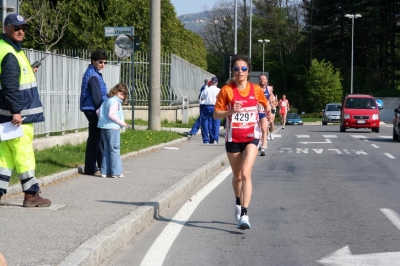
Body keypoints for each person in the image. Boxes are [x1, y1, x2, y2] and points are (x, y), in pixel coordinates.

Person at [214, 54, 271, 230]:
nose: (240, 71)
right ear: (233, 71)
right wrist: (230, 112)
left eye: (243, 68)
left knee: (246, 173)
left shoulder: (256, 90)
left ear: (248, 71)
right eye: (236, 68)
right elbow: (216, 114)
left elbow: (266, 104)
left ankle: (245, 214)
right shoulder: (227, 90)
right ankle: (238, 202)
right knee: (237, 176)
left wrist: (267, 114)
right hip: (233, 138)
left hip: (251, 137)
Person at [0, 14, 51, 207]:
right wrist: (16, 111)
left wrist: (28, 69)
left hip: (4, 115)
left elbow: (9, 78)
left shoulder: (7, 49)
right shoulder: (11, 53)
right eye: (16, 27)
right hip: (17, 117)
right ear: (6, 28)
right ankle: (31, 195)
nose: (21, 31)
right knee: (24, 154)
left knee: (4, 156)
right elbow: (10, 86)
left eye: (24, 28)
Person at [80, 49, 109, 175]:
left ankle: (100, 165)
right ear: (93, 61)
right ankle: (91, 167)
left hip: (94, 109)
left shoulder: (95, 73)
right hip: (93, 109)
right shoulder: (92, 75)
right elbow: (97, 97)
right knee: (95, 138)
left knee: (98, 137)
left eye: (105, 62)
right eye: (100, 62)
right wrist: (103, 111)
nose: (103, 64)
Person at [97, 83, 128, 178]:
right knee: (115, 149)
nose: (122, 97)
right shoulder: (115, 102)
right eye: (121, 94)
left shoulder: (106, 101)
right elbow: (111, 114)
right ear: (115, 92)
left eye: (124, 95)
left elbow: (98, 111)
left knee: (106, 150)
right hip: (113, 128)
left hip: (104, 127)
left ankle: (104, 171)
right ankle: (116, 172)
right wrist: (121, 123)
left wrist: (103, 120)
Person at [200, 77, 220, 144]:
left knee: (205, 122)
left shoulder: (206, 90)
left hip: (207, 107)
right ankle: (215, 139)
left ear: (211, 82)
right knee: (216, 123)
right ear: (217, 83)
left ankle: (206, 140)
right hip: (216, 107)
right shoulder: (219, 90)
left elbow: (202, 98)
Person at [257, 74, 270, 156]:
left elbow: (270, 100)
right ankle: (259, 143)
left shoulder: (269, 89)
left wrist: (270, 110)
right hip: (256, 112)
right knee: (257, 130)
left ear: (266, 80)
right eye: (260, 78)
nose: (262, 80)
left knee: (264, 128)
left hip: (264, 112)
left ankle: (263, 147)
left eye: (263, 78)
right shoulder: (255, 88)